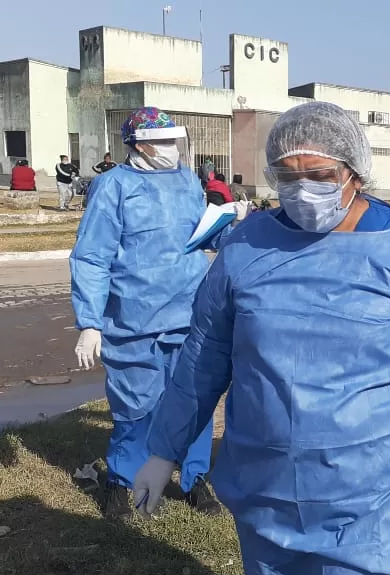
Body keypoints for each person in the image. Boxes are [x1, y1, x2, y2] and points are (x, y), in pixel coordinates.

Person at [132, 102, 390, 575]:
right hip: (270, 505)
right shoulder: (245, 249)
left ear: (355, 172)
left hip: (388, 508)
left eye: (320, 175)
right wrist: (165, 451)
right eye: (287, 178)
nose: (303, 190)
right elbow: (203, 361)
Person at [69, 106, 249, 520]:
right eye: (163, 141)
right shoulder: (113, 186)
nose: (172, 148)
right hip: (134, 320)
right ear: (139, 145)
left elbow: (201, 234)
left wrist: (231, 224)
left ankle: (196, 478)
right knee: (137, 407)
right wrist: (91, 322)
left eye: (174, 140)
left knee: (196, 399)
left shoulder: (186, 180)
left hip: (190, 313)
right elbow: (92, 257)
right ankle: (122, 481)